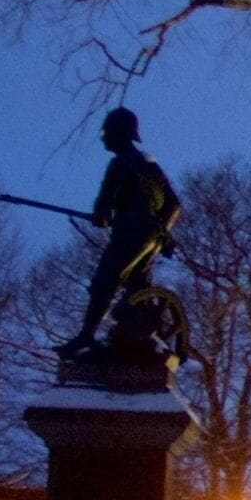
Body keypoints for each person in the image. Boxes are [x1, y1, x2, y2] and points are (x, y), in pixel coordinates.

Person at [59, 107, 180, 361]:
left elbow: (103, 209)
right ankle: (143, 332)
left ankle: (87, 335)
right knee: (137, 287)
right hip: (152, 238)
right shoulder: (150, 165)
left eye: (105, 132)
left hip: (129, 234)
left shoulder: (119, 164)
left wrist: (102, 216)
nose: (103, 138)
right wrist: (161, 233)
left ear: (117, 133)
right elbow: (174, 205)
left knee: (105, 281)